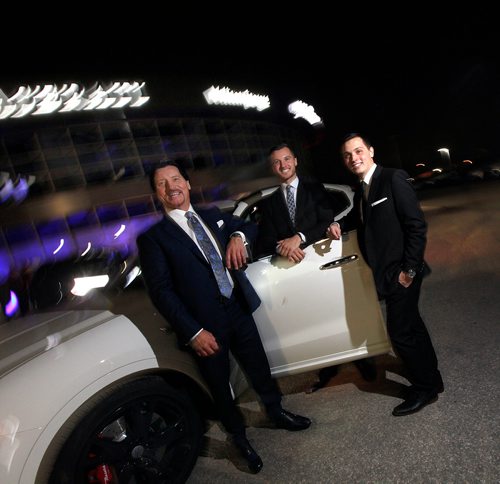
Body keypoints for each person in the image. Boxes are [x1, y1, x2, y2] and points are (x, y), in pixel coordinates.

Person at [136, 160, 311, 474]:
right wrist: (192, 332)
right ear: (156, 194)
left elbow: (250, 227)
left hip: (238, 308)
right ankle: (239, 437)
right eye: (162, 183)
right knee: (220, 385)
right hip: (204, 325)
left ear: (188, 184)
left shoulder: (212, 216)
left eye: (176, 179)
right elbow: (161, 291)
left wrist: (237, 238)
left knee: (258, 366)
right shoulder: (153, 238)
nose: (171, 186)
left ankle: (276, 412)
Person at [328, 133, 444, 416]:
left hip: (402, 273)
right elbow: (359, 221)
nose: (354, 158)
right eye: (347, 155)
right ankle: (433, 380)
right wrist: (334, 223)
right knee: (413, 327)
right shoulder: (362, 190)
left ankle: (423, 389)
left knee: (401, 334)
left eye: (358, 151)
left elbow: (416, 226)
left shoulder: (392, 178)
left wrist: (409, 270)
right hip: (390, 274)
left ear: (370, 150)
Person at [255, 142, 377, 389]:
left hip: (322, 264)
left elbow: (324, 220)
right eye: (277, 162)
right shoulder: (270, 203)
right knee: (314, 318)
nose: (283, 165)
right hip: (294, 273)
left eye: (287, 159)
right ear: (273, 168)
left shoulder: (314, 189)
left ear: (295, 161)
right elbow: (265, 239)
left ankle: (364, 360)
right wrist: (282, 247)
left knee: (340, 314)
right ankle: (328, 365)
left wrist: (298, 237)